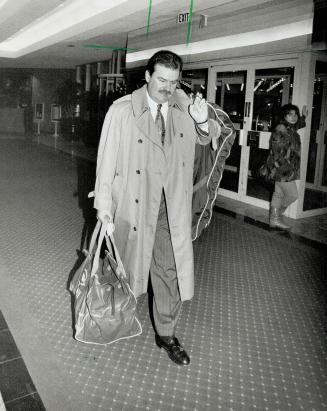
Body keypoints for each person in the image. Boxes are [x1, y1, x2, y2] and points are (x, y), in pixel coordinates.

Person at [93, 50, 221, 366]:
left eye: (173, 81)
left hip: (169, 208)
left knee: (169, 271)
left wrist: (204, 121)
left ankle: (166, 335)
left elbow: (211, 138)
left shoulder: (185, 111)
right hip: (133, 205)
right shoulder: (122, 111)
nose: (167, 87)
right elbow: (106, 160)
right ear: (148, 77)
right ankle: (113, 317)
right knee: (123, 267)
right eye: (161, 79)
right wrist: (103, 206)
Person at [265, 103, 307, 229]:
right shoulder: (281, 129)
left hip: (284, 168)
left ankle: (274, 220)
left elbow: (298, 124)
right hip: (281, 168)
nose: (294, 117)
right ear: (284, 116)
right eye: (290, 114)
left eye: (295, 114)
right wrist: (284, 170)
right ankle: (276, 217)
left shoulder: (290, 128)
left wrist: (303, 117)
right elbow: (277, 151)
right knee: (292, 195)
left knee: (278, 194)